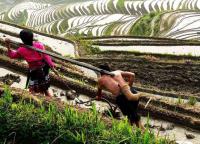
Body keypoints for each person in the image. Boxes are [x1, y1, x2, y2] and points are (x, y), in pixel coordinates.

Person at [5, 29, 57, 97]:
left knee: (36, 87)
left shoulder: (22, 49)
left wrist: (8, 45)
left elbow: (12, 55)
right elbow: (46, 56)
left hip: (34, 71)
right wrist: (52, 65)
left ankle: (39, 98)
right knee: (44, 84)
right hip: (44, 69)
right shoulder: (39, 45)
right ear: (32, 38)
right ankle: (48, 95)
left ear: (22, 40)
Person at [96, 63, 145, 131]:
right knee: (133, 113)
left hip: (121, 97)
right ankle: (133, 130)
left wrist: (98, 97)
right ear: (109, 69)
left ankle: (142, 131)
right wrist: (129, 86)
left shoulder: (101, 80)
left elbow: (99, 95)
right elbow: (132, 75)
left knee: (131, 115)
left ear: (100, 72)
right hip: (132, 91)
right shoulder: (117, 72)